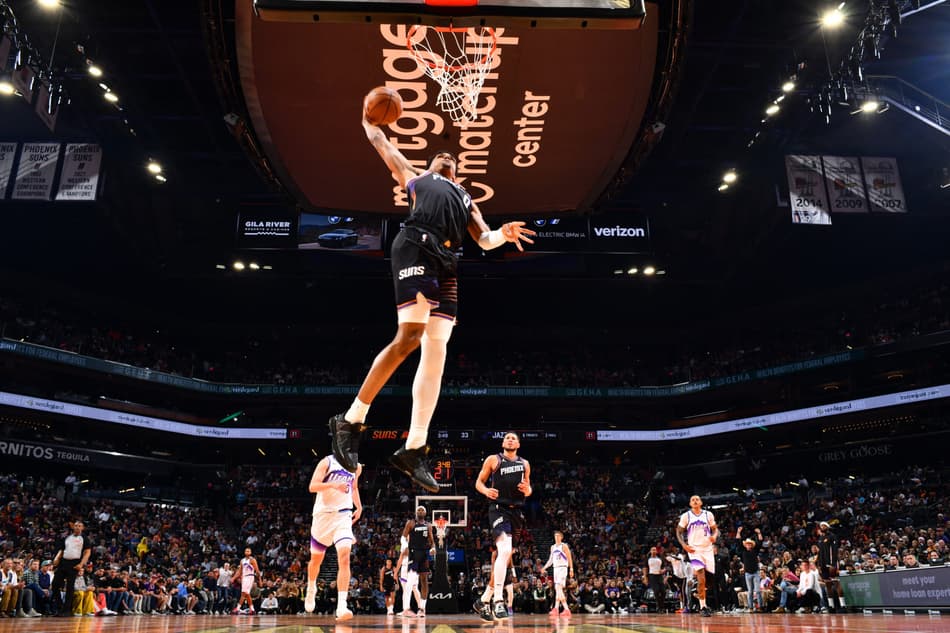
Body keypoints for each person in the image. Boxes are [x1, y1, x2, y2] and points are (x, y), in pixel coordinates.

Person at [329, 112, 536, 491]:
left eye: (453, 161)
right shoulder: (416, 175)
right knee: (409, 335)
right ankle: (351, 418)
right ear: (431, 165)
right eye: (443, 158)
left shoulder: (466, 198)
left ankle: (414, 447)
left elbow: (485, 240)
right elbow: (381, 142)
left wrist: (503, 234)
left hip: (449, 260)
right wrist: (365, 117)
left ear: (457, 173)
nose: (448, 160)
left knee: (437, 348)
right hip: (416, 245)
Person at [475, 431, 532, 620]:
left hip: (516, 511)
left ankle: (484, 599)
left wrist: (528, 490)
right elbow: (479, 482)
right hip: (498, 509)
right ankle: (499, 600)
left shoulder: (524, 464)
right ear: (502, 443)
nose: (510, 439)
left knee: (506, 555)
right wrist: (485, 491)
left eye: (514, 438)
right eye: (507, 437)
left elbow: (529, 488)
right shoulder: (494, 459)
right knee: (504, 550)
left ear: (519, 444)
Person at [303, 454, 363, 621]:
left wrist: (358, 506)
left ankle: (342, 606)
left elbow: (354, 487)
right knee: (316, 560)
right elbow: (312, 486)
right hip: (323, 516)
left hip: (343, 515)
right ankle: (311, 587)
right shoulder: (327, 462)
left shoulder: (356, 466)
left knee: (344, 558)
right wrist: (334, 485)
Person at [676, 495, 718, 617]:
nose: (695, 501)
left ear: (701, 502)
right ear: (690, 503)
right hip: (694, 550)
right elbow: (678, 531)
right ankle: (703, 606)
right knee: (701, 578)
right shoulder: (686, 516)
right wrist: (684, 545)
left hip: (708, 549)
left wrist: (714, 536)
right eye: (692, 500)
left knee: (709, 580)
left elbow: (715, 529)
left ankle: (697, 591)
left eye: (697, 499)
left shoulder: (708, 514)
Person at [50, 519, 92, 617]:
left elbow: (87, 552)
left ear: (82, 528)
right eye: (76, 525)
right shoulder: (67, 537)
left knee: (70, 587)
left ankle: (67, 610)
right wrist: (56, 558)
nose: (77, 527)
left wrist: (81, 564)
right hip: (63, 562)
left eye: (79, 526)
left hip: (74, 563)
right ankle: (60, 607)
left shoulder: (84, 538)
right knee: (55, 584)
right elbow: (62, 549)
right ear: (73, 527)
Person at [402, 506, 437, 617]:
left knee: (424, 580)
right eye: (418, 510)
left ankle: (422, 608)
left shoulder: (428, 525)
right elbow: (403, 537)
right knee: (411, 580)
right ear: (416, 512)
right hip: (413, 553)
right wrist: (405, 546)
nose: (420, 511)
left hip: (424, 554)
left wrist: (433, 548)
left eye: (422, 510)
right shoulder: (411, 523)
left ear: (425, 513)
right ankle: (406, 608)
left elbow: (431, 541)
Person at [541, 531, 574, 616]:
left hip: (563, 568)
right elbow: (550, 560)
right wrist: (544, 567)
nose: (556, 537)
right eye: (555, 535)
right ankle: (556, 608)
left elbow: (569, 557)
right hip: (555, 569)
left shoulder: (564, 546)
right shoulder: (552, 547)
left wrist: (571, 569)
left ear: (561, 537)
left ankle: (566, 609)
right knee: (557, 589)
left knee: (558, 587)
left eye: (558, 536)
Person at [816, 521, 841, 613]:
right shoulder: (820, 538)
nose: (822, 527)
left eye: (824, 525)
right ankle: (831, 606)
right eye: (821, 526)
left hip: (831, 563)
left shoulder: (832, 536)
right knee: (828, 585)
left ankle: (842, 605)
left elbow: (834, 550)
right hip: (823, 564)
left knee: (836, 583)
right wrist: (819, 564)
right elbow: (820, 553)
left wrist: (833, 563)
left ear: (827, 526)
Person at [736, 526, 762, 611]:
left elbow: (760, 542)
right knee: (750, 591)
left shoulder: (755, 550)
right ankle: (750, 607)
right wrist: (738, 532)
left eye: (750, 544)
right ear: (745, 545)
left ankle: (760, 607)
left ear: (752, 545)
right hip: (747, 573)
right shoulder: (743, 551)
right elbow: (738, 541)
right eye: (747, 544)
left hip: (756, 572)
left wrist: (759, 533)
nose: (748, 545)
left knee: (757, 591)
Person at [233, 547, 260, 615]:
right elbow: (239, 571)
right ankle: (252, 609)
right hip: (244, 577)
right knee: (246, 594)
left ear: (250, 552)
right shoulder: (242, 560)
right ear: (244, 552)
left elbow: (257, 571)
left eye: (248, 551)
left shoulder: (252, 560)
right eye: (246, 551)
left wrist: (260, 580)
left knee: (244, 593)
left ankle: (238, 608)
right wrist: (234, 578)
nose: (247, 552)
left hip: (250, 576)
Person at [643, 546, 665, 614]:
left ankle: (661, 606)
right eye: (652, 550)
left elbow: (664, 567)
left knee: (663, 591)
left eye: (655, 550)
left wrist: (663, 570)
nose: (654, 551)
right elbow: (645, 568)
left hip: (659, 576)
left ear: (656, 551)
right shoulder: (648, 559)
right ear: (650, 551)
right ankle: (659, 607)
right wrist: (645, 578)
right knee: (657, 591)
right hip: (652, 576)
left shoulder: (660, 558)